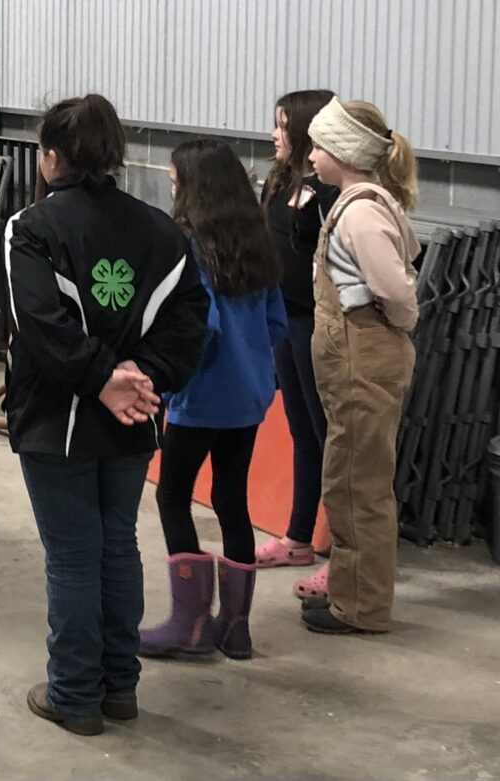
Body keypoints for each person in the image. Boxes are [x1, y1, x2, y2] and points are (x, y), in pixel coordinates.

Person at [5, 94, 209, 736]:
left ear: (51, 158)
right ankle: (120, 688)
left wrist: (103, 379)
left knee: (72, 555)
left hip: (58, 419)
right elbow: (189, 321)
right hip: (133, 421)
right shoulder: (163, 231)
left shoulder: (32, 227)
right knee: (116, 544)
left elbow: (39, 323)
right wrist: (143, 379)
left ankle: (75, 694)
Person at [138, 139, 287, 661]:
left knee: (172, 496)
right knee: (231, 501)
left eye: (175, 180)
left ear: (193, 186)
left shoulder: (189, 245)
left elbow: (202, 328)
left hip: (199, 397)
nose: (171, 186)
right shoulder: (256, 240)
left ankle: (189, 622)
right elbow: (274, 324)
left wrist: (168, 379)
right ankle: (236, 627)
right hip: (249, 398)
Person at [301, 98, 419, 634]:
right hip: (354, 355)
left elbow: (396, 290)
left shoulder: (363, 210)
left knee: (359, 482)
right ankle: (350, 593)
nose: (311, 156)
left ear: (344, 152)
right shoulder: (355, 202)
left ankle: (363, 606)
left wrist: (395, 321)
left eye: (319, 146)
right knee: (348, 474)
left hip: (363, 357)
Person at [255, 91, 338, 602]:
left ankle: (347, 557)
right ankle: (298, 537)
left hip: (315, 322)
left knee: (331, 437)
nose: (275, 134)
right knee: (303, 433)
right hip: (285, 318)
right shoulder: (281, 179)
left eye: (283, 126)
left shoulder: (330, 190)